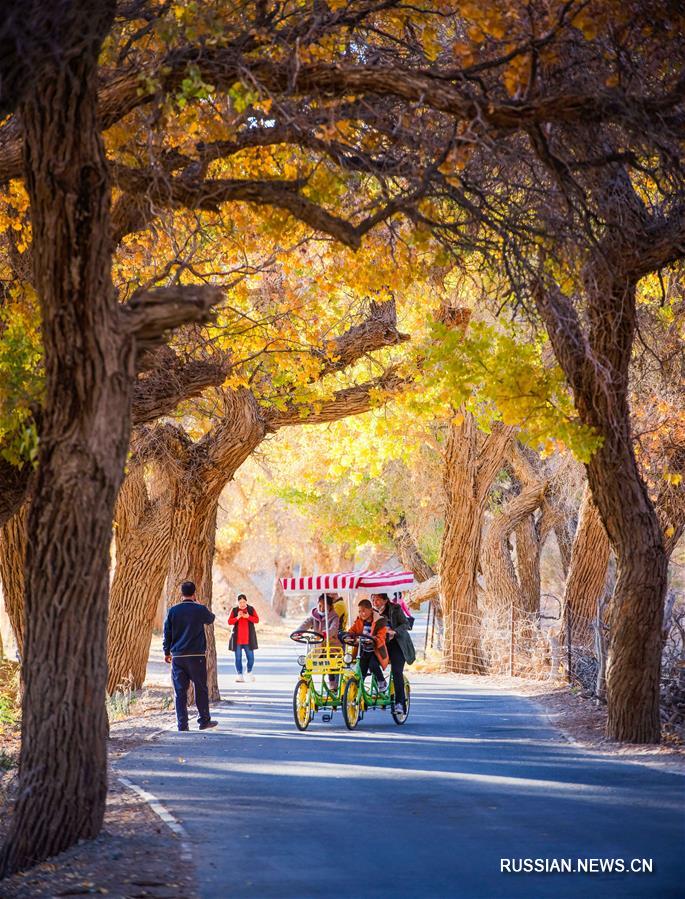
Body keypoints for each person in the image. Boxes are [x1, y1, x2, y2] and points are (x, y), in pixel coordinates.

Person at [163, 580, 217, 731]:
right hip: (196, 655)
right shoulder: (199, 609)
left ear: (181, 594)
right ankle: (204, 721)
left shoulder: (173, 611)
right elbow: (211, 619)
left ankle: (182, 724)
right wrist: (199, 604)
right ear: (194, 593)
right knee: (200, 688)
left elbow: (167, 632)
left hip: (178, 657)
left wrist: (166, 652)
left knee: (180, 691)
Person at [371, 591, 416, 715]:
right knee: (370, 662)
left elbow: (406, 624)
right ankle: (381, 683)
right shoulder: (371, 613)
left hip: (397, 645)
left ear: (385, 600)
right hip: (381, 645)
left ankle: (399, 703)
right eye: (373, 599)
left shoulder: (395, 609)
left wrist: (394, 631)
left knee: (396, 671)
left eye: (378, 599)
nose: (375, 602)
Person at [346, 598, 389, 691]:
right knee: (361, 671)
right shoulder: (359, 621)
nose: (362, 613)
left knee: (373, 665)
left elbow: (381, 637)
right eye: (360, 611)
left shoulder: (379, 621)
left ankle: (381, 681)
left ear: (371, 609)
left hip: (376, 651)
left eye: (364, 611)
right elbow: (352, 631)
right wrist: (348, 636)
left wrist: (373, 639)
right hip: (363, 650)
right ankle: (358, 691)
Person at [228, 594, 259, 683]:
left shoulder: (251, 609)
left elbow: (257, 620)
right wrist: (237, 617)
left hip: (248, 639)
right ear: (238, 602)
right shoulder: (234, 610)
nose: (242, 604)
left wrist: (248, 617)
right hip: (237, 640)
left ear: (246, 601)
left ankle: (249, 671)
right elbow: (229, 622)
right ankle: (240, 675)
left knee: (251, 658)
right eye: (240, 602)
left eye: (244, 602)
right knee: (238, 658)